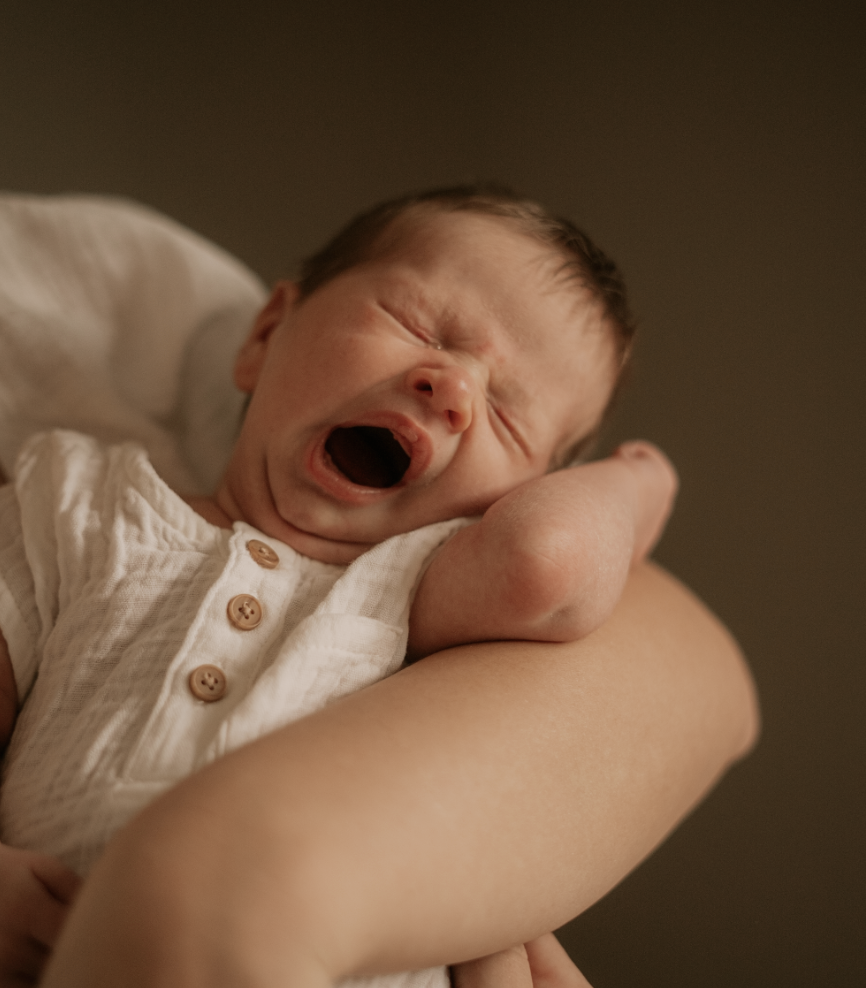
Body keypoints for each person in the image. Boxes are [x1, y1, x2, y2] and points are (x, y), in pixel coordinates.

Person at [0, 187, 757, 987]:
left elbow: (546, 558)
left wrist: (636, 486)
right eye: (419, 326)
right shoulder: (78, 504)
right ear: (266, 334)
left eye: (507, 416)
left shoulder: (420, 588)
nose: (454, 388)